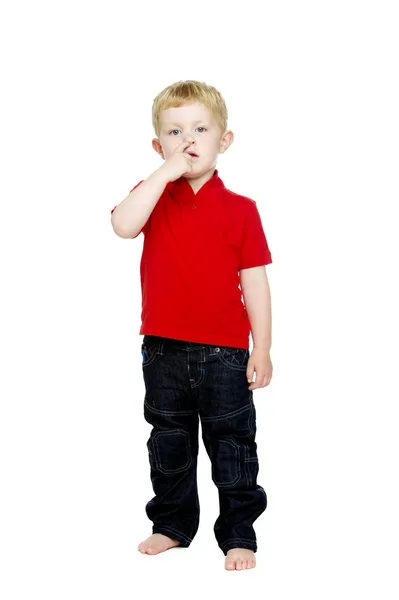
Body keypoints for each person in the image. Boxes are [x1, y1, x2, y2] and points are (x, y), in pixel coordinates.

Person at [110, 80, 273, 571]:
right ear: (159, 145)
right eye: (176, 132)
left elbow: (257, 286)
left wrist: (261, 349)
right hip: (162, 349)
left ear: (224, 140)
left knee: (233, 445)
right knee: (168, 440)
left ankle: (239, 533)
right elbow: (121, 225)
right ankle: (171, 525)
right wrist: (164, 172)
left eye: (200, 129)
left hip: (225, 352)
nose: (189, 141)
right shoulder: (153, 195)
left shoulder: (241, 209)